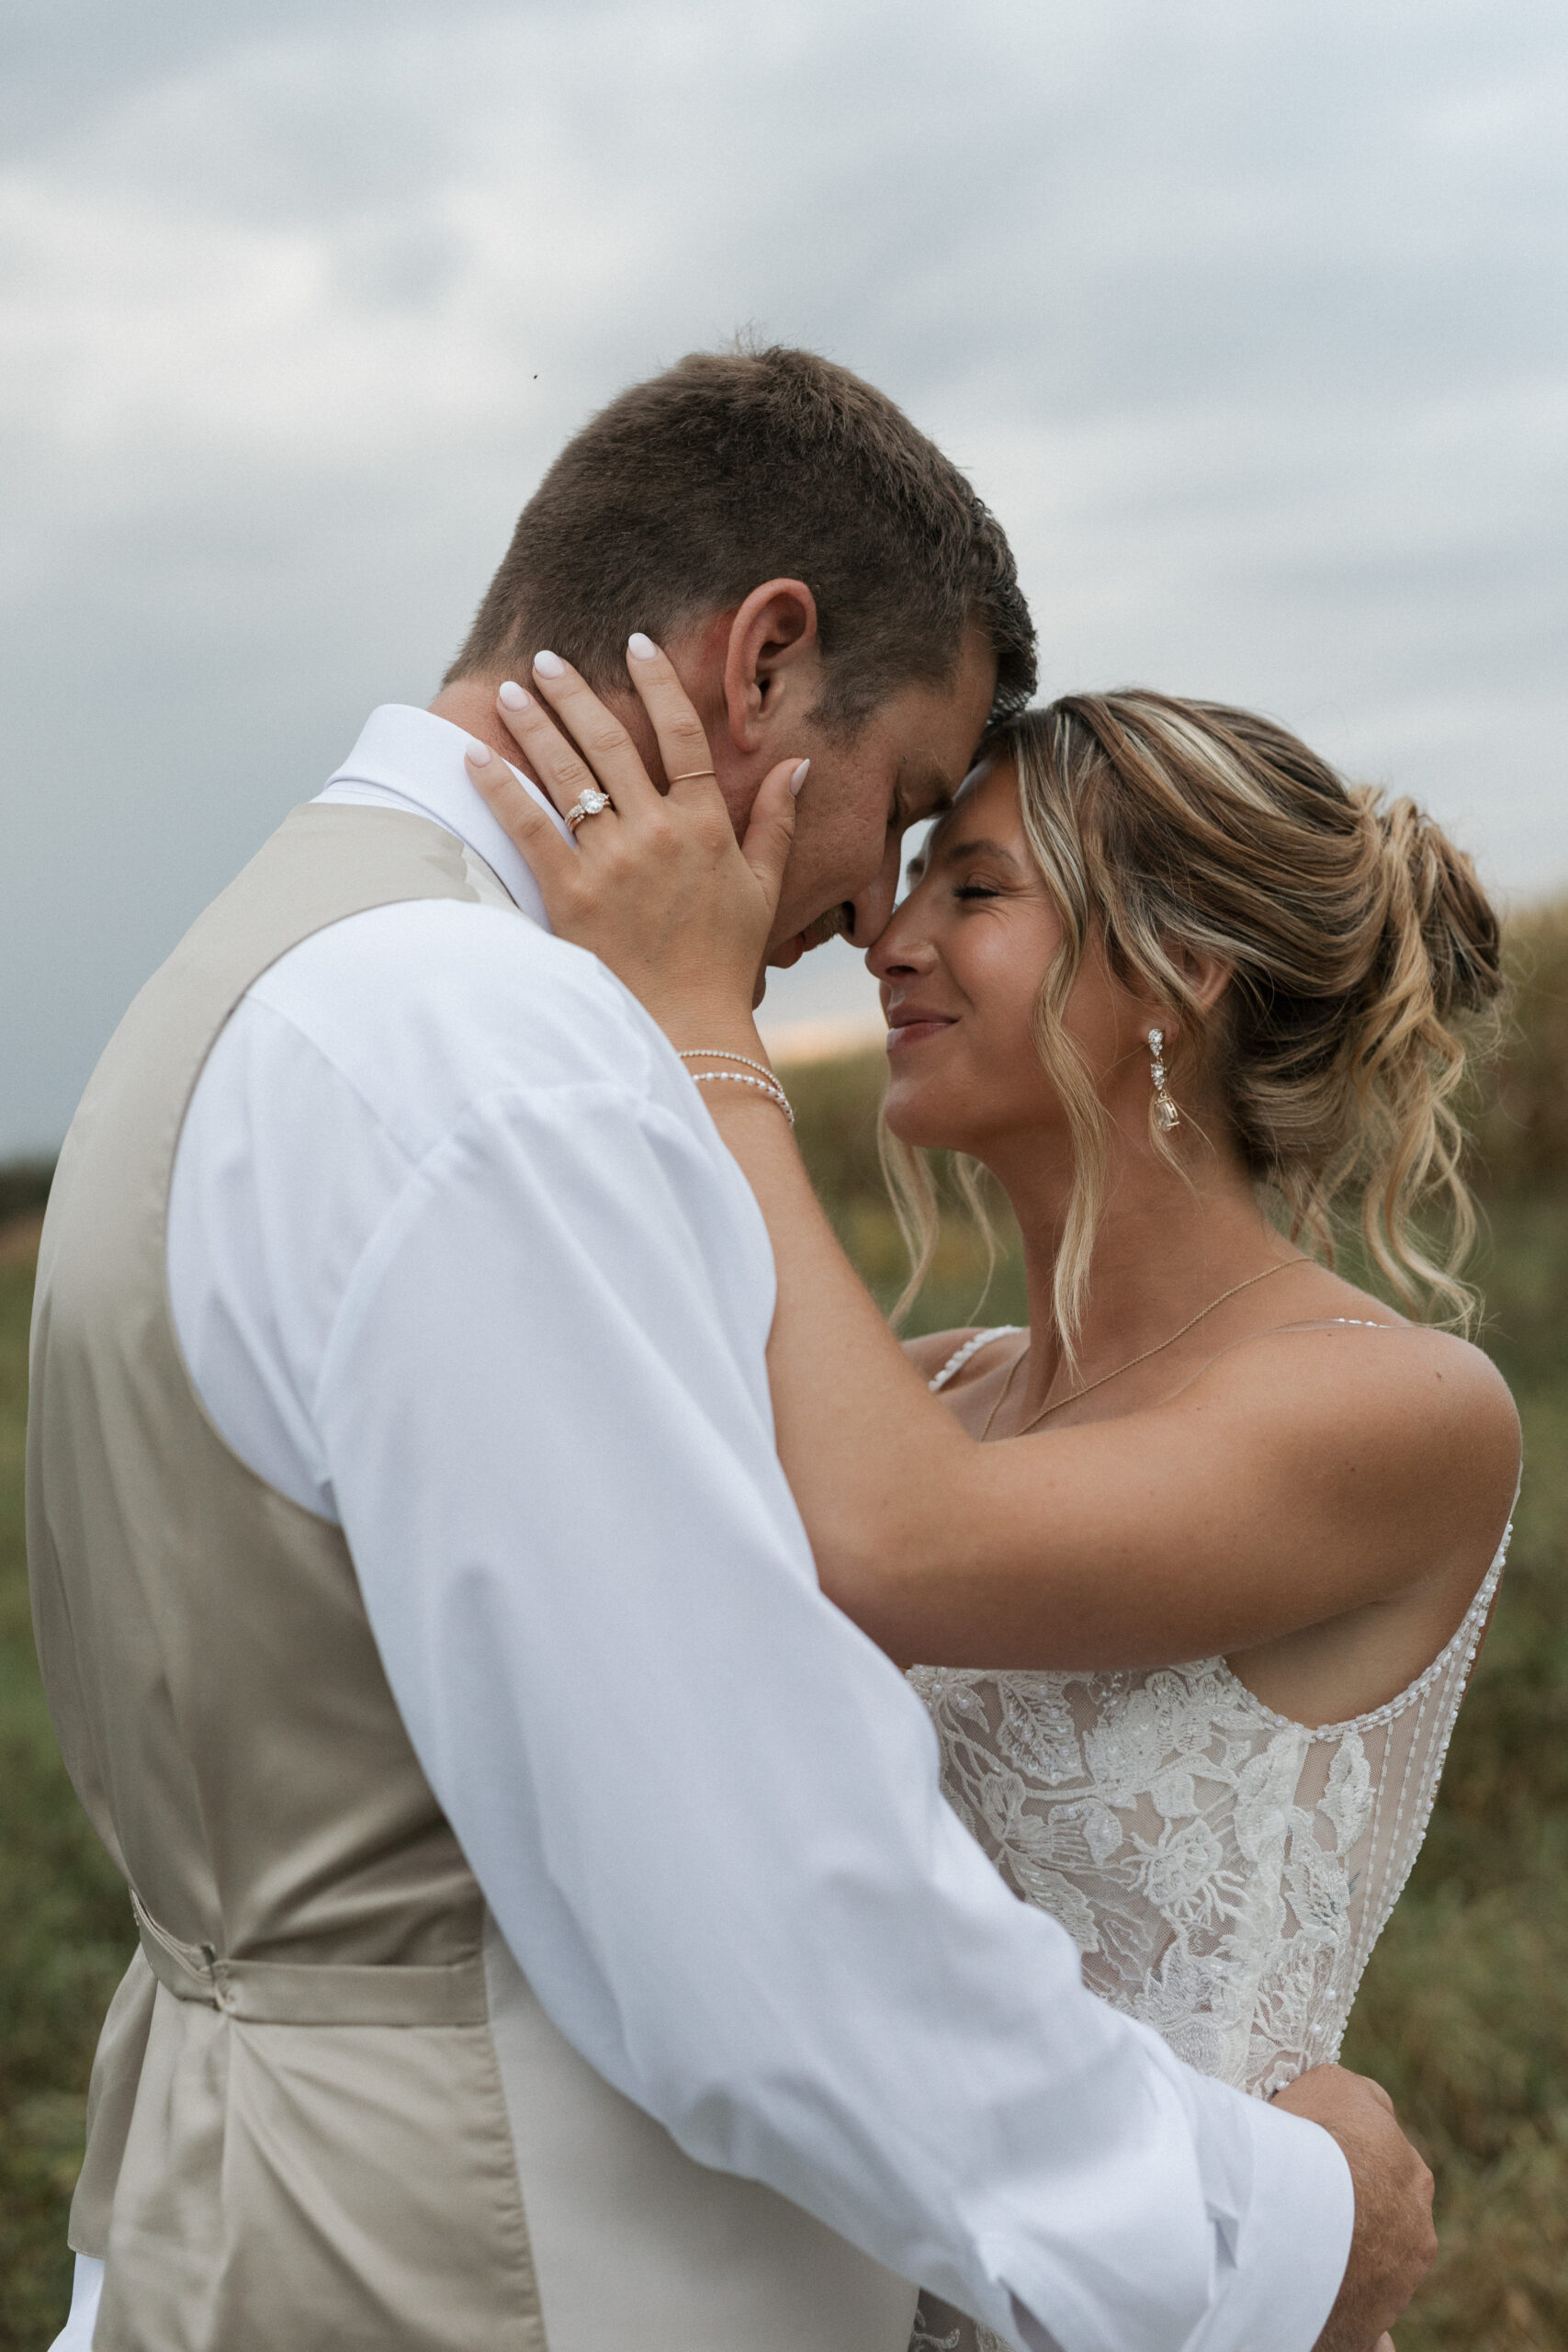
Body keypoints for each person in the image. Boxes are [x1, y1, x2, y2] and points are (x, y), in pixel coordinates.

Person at [30, 347, 1432, 2352]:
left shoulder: (279, 968)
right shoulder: (497, 1058)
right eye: (903, 806)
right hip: (488, 2272)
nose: (873, 909)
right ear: (765, 662)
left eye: (968, 865)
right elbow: (753, 1909)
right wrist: (1265, 2234)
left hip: (271, 2203)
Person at [464, 638, 1522, 2345]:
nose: (889, 943)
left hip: (1186, 2298)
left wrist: (700, 1014)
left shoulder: (1400, 1408)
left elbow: (894, 1548)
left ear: (1177, 968)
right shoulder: (936, 1391)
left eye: (973, 889)